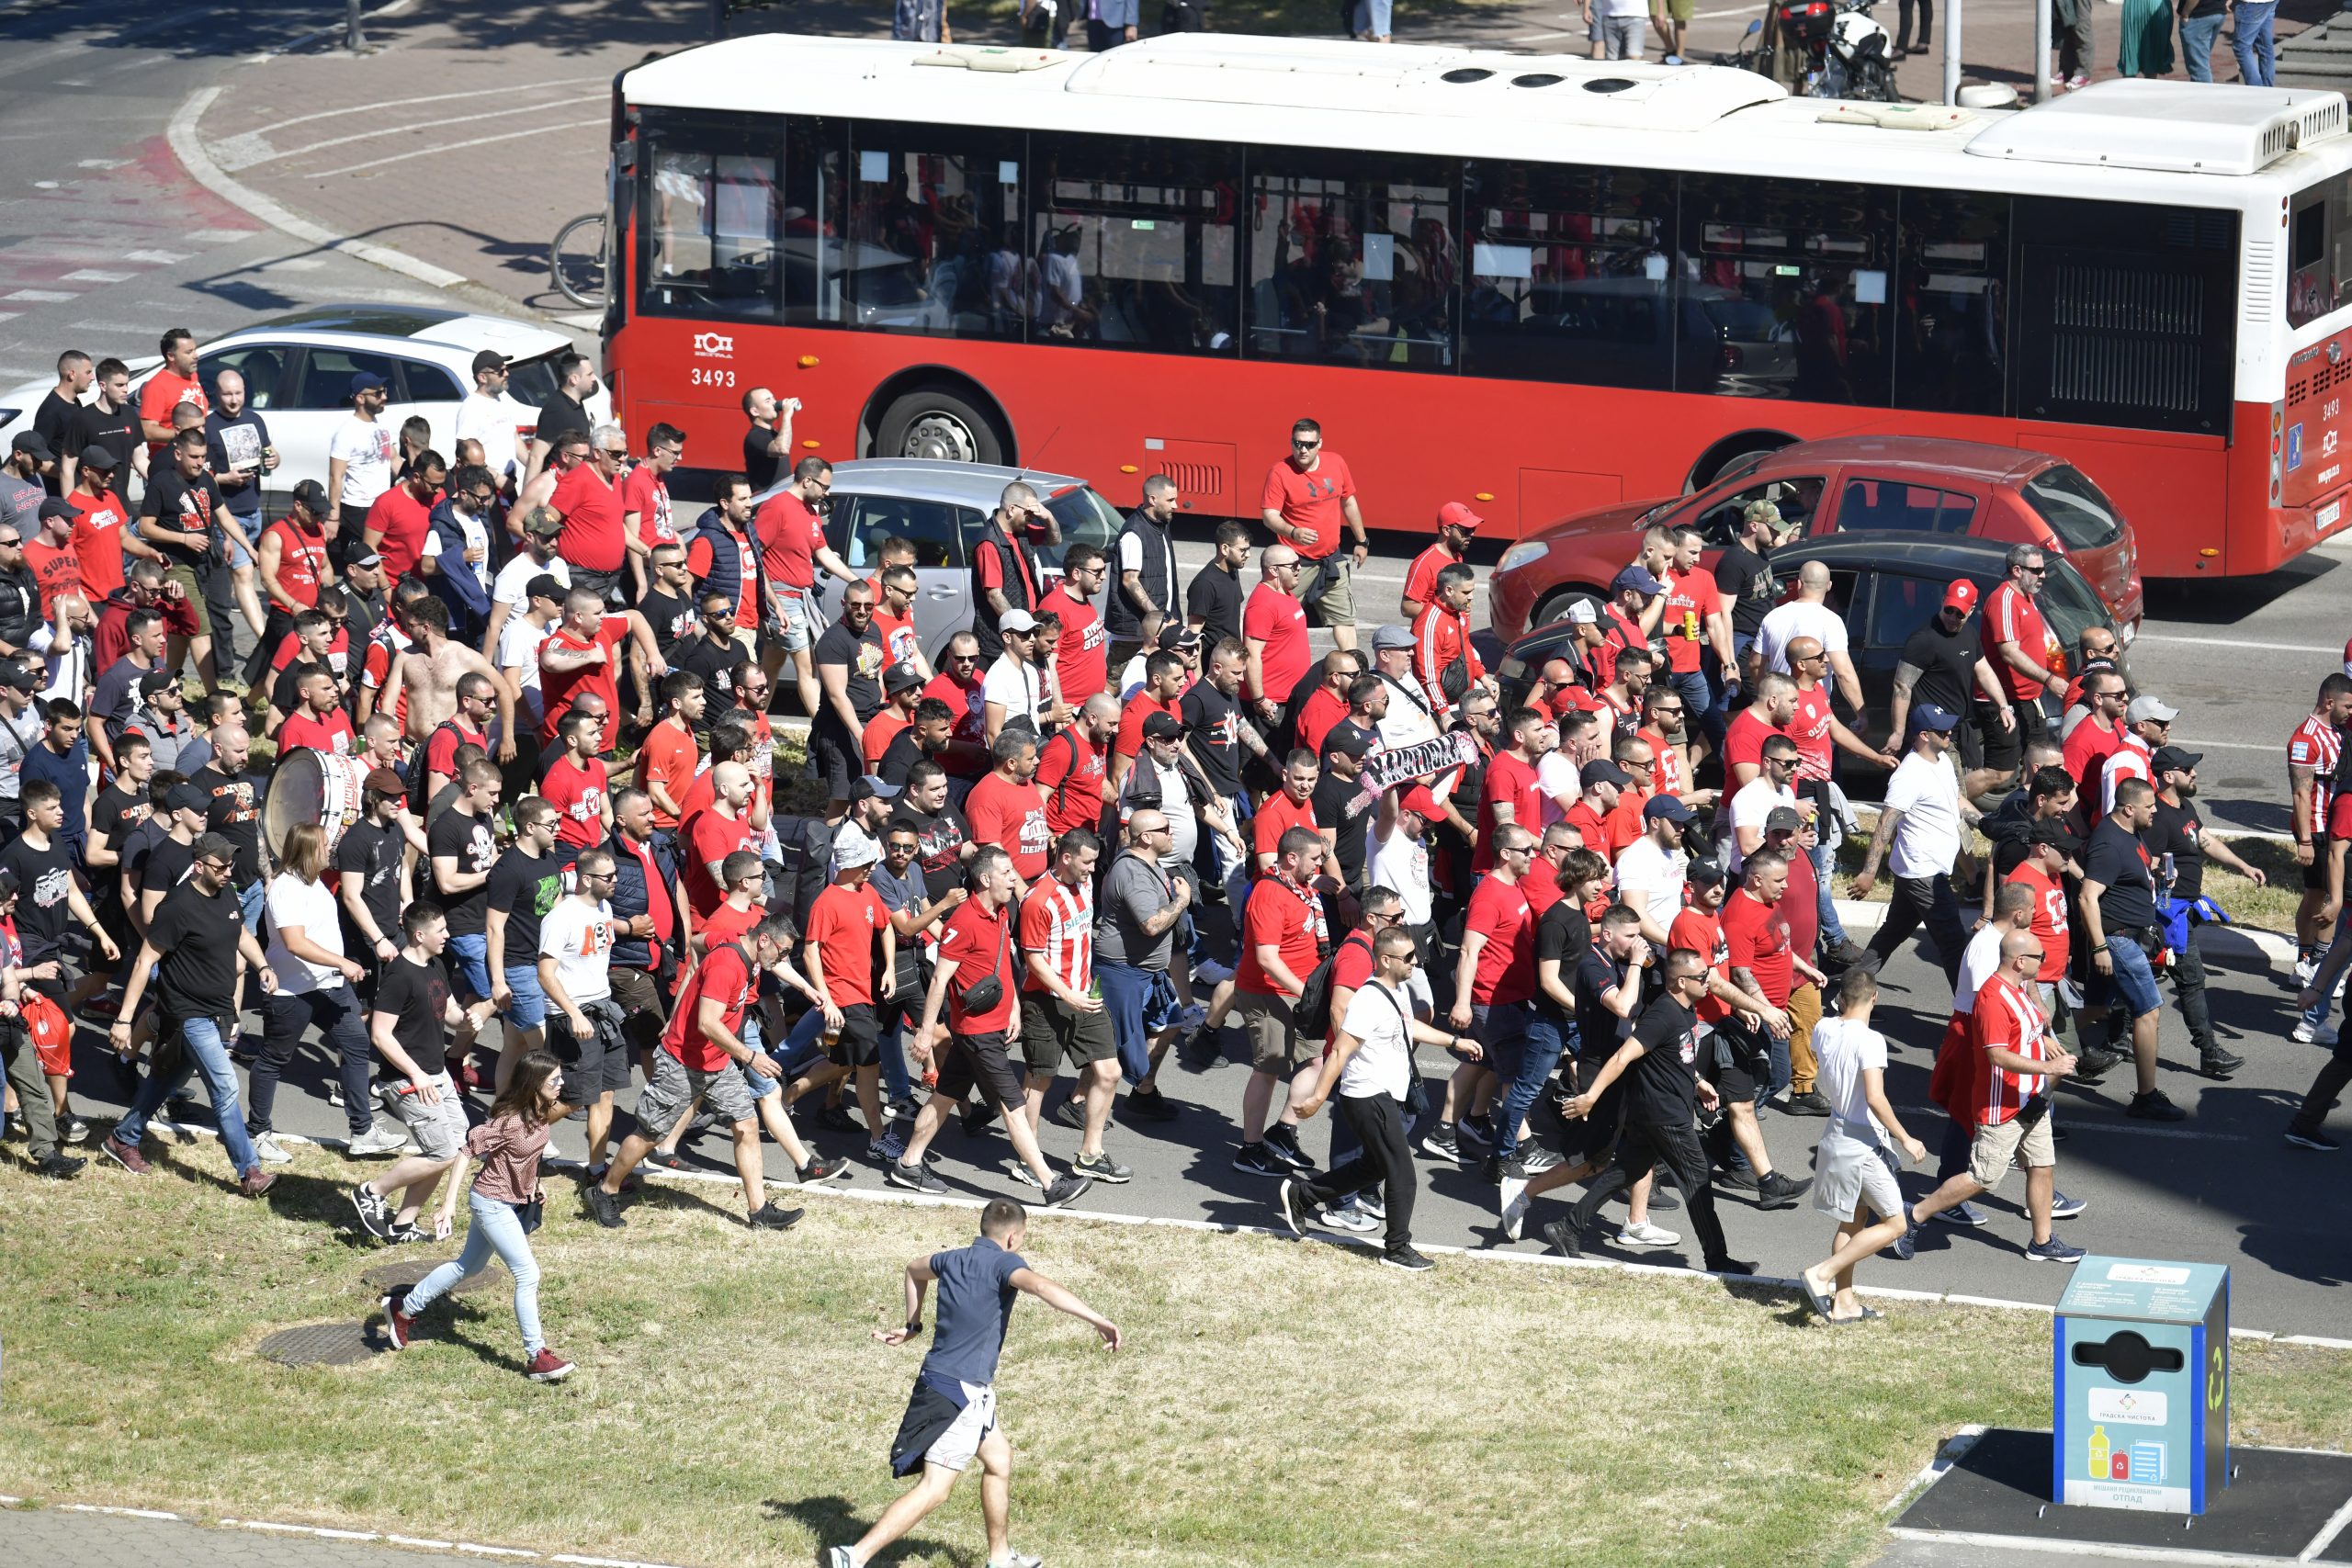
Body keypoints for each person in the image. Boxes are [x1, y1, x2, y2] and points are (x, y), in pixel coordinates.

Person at [827, 1198, 1122, 1568]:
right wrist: (1097, 1319)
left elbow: (914, 1270)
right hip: (957, 1392)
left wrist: (912, 1325)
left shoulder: (951, 1259)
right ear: (1013, 1237)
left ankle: (1000, 1558)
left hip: (959, 1386)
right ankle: (854, 1556)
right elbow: (1042, 1287)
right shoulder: (1005, 1264)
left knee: (999, 1459)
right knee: (935, 1489)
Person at [890, 846, 1092, 1208]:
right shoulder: (963, 922)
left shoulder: (999, 912)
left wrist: (1013, 1007)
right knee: (1014, 1106)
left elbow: (1002, 965)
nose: (1014, 879)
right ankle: (1050, 1184)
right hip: (977, 1033)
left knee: (944, 1097)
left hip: (991, 1028)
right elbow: (939, 980)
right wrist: (925, 1032)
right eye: (1006, 873)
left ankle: (908, 1164)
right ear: (985, 879)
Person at [585, 915, 808, 1231]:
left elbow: (697, 942)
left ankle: (759, 1211)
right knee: (650, 1134)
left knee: (746, 1125)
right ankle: (605, 1190)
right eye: (782, 951)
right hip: (681, 1062)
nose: (783, 959)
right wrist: (750, 1057)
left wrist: (693, 973)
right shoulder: (727, 966)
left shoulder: (744, 951)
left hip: (717, 1062)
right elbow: (707, 1023)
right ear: (763, 940)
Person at [1281, 922, 1481, 1271]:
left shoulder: (1398, 990)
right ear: (1386, 960)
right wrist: (1317, 1098)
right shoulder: (1368, 1000)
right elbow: (1340, 1051)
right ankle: (1397, 1248)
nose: (1415, 961)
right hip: (1367, 1096)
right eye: (1408, 957)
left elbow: (1409, 1027)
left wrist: (1454, 1041)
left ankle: (1302, 1195)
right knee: (1402, 1173)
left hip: (1384, 1094)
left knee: (1372, 1166)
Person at [1546, 949, 1755, 1276]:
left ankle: (1567, 1228)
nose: (1709, 980)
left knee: (1625, 1171)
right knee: (1698, 1182)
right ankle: (1717, 1259)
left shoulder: (1686, 1008)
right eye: (1702, 976)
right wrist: (1590, 1097)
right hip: (1665, 1116)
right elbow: (1622, 1057)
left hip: (1657, 1113)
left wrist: (1698, 1081)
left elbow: (1671, 1055)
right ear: (1681, 982)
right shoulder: (1663, 1015)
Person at [379, 1048, 573, 1382]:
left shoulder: (541, 1111)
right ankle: (536, 1356)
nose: (561, 1084)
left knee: (467, 1267)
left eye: (560, 1078)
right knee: (528, 1274)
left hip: (508, 1201)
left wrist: (534, 1184)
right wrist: (448, 1204)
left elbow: (525, 1157)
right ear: (534, 1082)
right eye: (554, 1080)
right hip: (491, 1203)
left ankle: (403, 1308)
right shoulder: (509, 1122)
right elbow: (466, 1151)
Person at [99, 834, 276, 1195]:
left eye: (230, 865)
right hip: (187, 1013)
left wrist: (262, 965)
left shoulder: (226, 893)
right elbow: (145, 961)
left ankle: (123, 1138)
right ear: (199, 866)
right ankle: (250, 1172)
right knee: (225, 1086)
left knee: (165, 1079)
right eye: (221, 866)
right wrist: (124, 1019)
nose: (228, 872)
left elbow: (241, 932)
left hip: (217, 1010)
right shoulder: (177, 906)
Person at [1903, 930, 2086, 1264]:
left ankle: (2042, 1242)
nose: (2043, 962)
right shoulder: (1992, 998)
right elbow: (1996, 1055)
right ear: (2020, 961)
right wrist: (2048, 1067)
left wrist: (2043, 1041)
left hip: (2030, 1100)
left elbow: (2024, 1030)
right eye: (2040, 957)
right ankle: (1913, 1215)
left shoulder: (2018, 988)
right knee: (1982, 1178)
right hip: (2002, 1108)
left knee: (2042, 1165)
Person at [1795, 966, 1928, 1324]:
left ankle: (1844, 1302)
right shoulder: (1871, 1040)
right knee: (1897, 1224)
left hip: (1835, 1134)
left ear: (1841, 998)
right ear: (1875, 997)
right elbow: (1875, 1097)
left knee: (1853, 1220)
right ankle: (1821, 1273)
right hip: (1862, 1145)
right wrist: (1906, 1138)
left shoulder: (1824, 1028)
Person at [2075, 777, 2190, 1121]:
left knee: (2095, 1009)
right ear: (2129, 809)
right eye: (2149, 806)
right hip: (2118, 941)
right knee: (2149, 1011)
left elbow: (2131, 865)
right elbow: (2087, 897)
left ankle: (2035, 1040)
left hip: (2125, 937)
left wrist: (2156, 869)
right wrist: (2100, 948)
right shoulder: (2109, 844)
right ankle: (2146, 1098)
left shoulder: (2128, 832)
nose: (2155, 811)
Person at [2146, 746, 2253, 1079]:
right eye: (2187, 769)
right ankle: (2209, 1052)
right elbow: (2144, 863)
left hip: (2187, 910)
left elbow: (2205, 840)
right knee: (2191, 981)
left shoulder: (2185, 807)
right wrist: (2158, 874)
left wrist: (2243, 866)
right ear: (2168, 776)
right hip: (2169, 917)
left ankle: (2115, 1041)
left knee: (2141, 981)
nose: (2194, 773)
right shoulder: (2158, 818)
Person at [1852, 704, 1969, 990]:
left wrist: (1989, 824)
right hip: (1922, 872)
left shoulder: (1943, 761)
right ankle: (1968, 1007)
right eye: (1943, 730)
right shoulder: (1909, 774)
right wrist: (1868, 873)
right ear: (1924, 735)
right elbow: (1885, 823)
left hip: (1925, 869)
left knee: (1893, 933)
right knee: (1953, 942)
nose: (1949, 733)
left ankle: (1849, 991)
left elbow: (1956, 801)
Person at [1261, 418, 1368, 653]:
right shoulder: (1280, 472)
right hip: (1294, 563)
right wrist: (1293, 532)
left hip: (1331, 559)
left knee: (1344, 620)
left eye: (1309, 444)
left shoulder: (1336, 462)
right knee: (1275, 619)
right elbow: (1269, 516)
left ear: (1320, 443)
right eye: (1298, 443)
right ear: (1291, 442)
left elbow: (1348, 502)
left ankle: (1352, 668)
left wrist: (1361, 541)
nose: (1303, 450)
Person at [2287, 673, 2352, 985]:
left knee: (2318, 892)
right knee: (2329, 895)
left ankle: (2309, 960)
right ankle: (2315, 963)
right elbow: (2301, 793)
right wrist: (2305, 840)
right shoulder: (2305, 739)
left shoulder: (2338, 730)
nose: (2351, 712)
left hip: (2335, 822)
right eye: (2348, 706)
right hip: (2317, 827)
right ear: (2329, 703)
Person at [1106, 474, 1181, 669]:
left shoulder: (1161, 524)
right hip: (1134, 635)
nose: (1175, 506)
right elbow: (1130, 581)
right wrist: (1159, 618)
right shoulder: (1134, 533)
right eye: (1170, 500)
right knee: (1119, 682)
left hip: (1157, 628)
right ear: (1153, 499)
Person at [1185, 518, 1251, 655]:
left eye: (1248, 549)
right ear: (1225, 548)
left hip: (1233, 658)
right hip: (1212, 660)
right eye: (1243, 550)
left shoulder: (1233, 571)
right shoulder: (1204, 584)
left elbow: (1235, 616)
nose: (1248, 555)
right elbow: (1194, 632)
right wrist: (1198, 668)